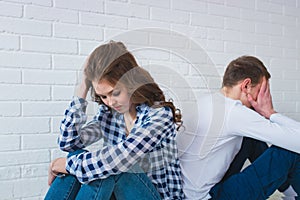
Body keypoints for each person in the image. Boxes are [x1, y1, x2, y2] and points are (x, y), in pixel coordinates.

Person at [45, 41, 184, 200]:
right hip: (118, 195)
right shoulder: (111, 114)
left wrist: (67, 165)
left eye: (115, 93)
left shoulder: (159, 115)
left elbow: (122, 158)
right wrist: (82, 87)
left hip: (156, 196)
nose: (110, 102)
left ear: (131, 84)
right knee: (79, 157)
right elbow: (69, 143)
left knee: (113, 165)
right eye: (103, 96)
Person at [177, 55, 300, 199]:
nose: (263, 97)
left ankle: (291, 195)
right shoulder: (233, 112)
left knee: (250, 140)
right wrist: (270, 113)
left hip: (188, 192)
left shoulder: (206, 101)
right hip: (209, 197)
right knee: (289, 151)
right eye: (262, 90)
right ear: (246, 85)